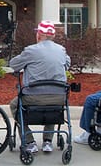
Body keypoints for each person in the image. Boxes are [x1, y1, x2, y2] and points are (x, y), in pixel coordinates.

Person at [9, 20, 70, 154]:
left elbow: (13, 64)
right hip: (59, 97)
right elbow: (67, 63)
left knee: (15, 105)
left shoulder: (31, 50)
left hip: (33, 97)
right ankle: (48, 141)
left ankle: (29, 141)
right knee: (52, 106)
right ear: (53, 36)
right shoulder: (61, 50)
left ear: (39, 34)